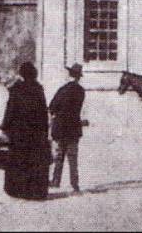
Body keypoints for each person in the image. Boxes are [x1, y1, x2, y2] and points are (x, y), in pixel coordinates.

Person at [0, 62, 51, 200]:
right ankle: (35, 191)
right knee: (34, 161)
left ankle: (17, 190)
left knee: (19, 160)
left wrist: (4, 126)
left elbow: (10, 110)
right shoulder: (39, 90)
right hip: (36, 133)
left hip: (19, 133)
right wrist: (45, 131)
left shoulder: (16, 90)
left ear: (22, 74)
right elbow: (43, 112)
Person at [49, 63, 86, 193]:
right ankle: (75, 184)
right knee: (73, 158)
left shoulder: (63, 89)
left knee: (59, 156)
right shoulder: (81, 91)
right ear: (79, 77)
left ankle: (55, 180)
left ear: (69, 75)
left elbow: (52, 106)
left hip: (60, 127)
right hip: (74, 127)